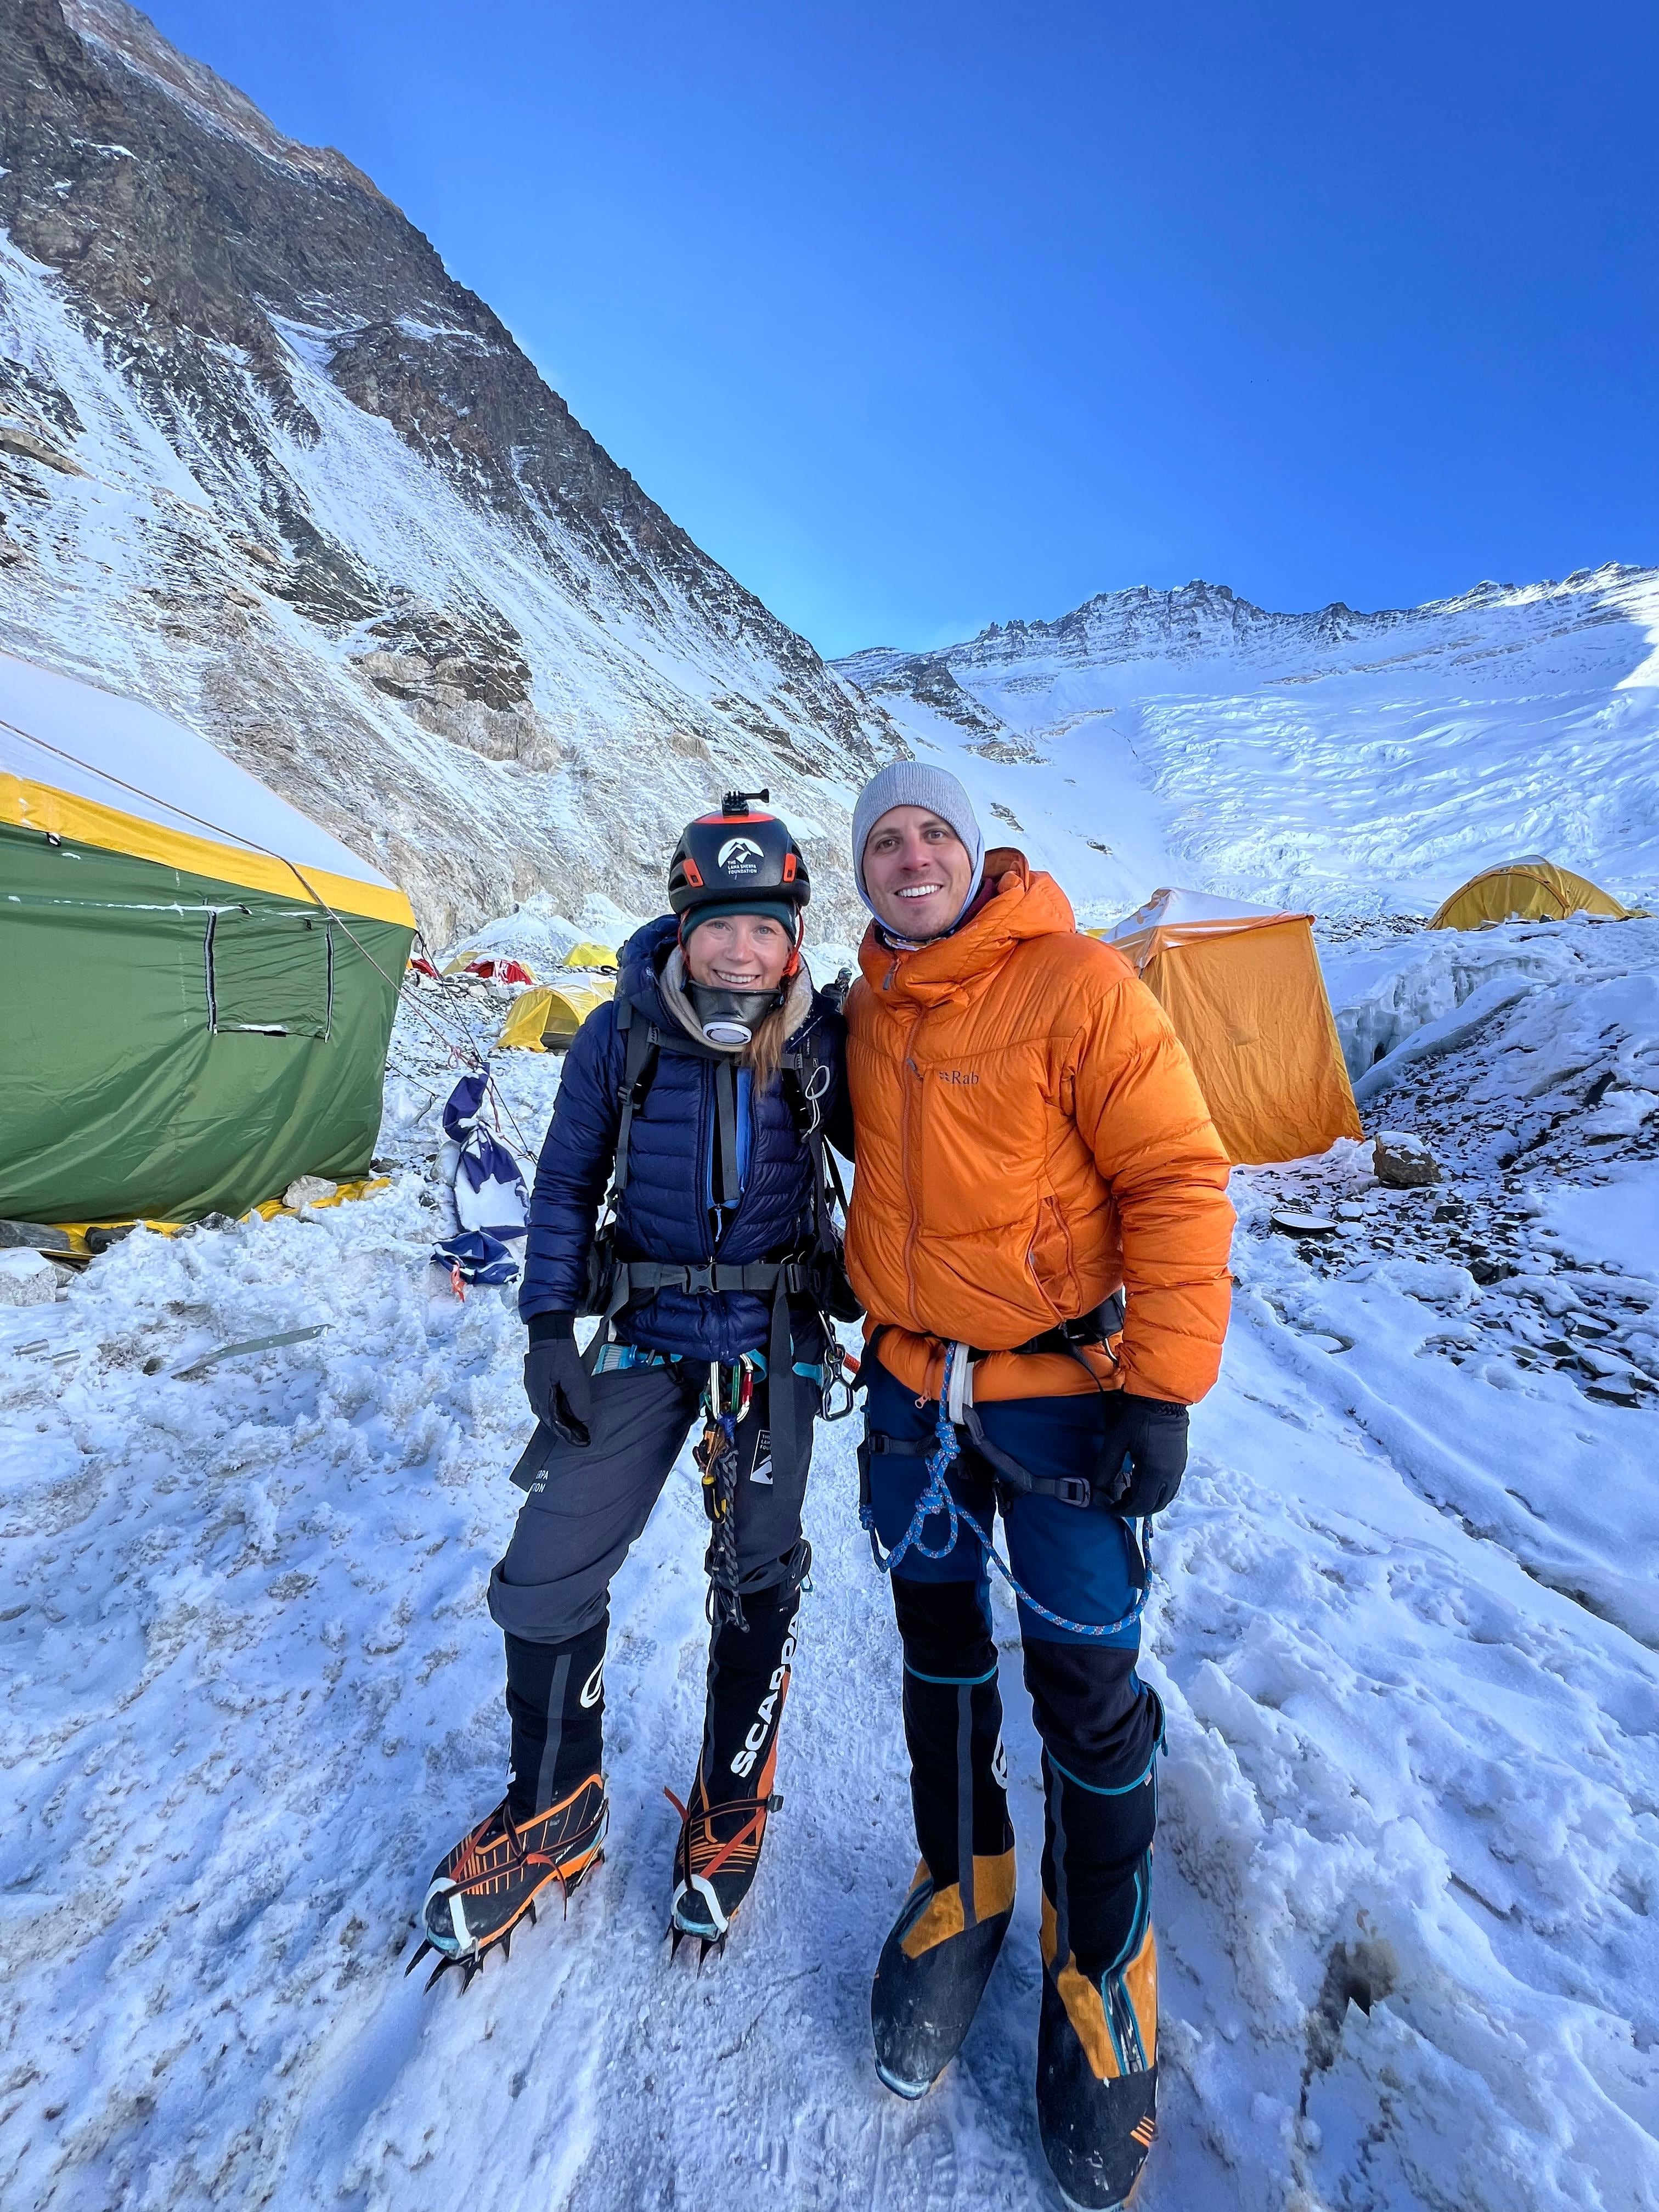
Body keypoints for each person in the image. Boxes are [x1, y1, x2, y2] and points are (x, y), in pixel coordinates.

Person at [842, 763, 1234, 2209]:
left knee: (1087, 1683)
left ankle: (1103, 1961)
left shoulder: (1077, 982)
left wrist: (1165, 1385)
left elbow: (1180, 1177)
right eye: (884, 840)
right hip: (910, 1394)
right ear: (866, 873)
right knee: (939, 1653)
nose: (910, 855)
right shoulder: (867, 1010)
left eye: (931, 830)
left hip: (1069, 1402)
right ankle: (970, 1880)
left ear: (976, 851)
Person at [411, 792, 853, 1985]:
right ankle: (557, 1802)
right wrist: (549, 1325)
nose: (742, 950)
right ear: (684, 919)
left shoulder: (825, 1040)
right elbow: (563, 1188)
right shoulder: (621, 1033)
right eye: (722, 923)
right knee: (546, 1568)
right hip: (647, 1332)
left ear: (795, 935)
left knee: (757, 1570)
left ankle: (731, 1795)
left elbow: (928, 1151)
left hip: (771, 1339)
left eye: (766, 928)